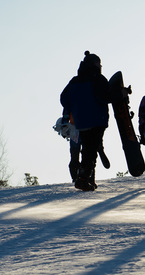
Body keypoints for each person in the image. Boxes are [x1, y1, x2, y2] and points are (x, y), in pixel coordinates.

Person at [60, 51, 111, 191]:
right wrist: (120, 94)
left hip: (80, 122)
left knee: (88, 150)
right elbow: (105, 97)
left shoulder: (74, 81)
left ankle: (87, 179)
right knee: (91, 150)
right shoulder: (98, 79)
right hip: (97, 120)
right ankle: (83, 179)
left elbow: (64, 99)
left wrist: (73, 109)